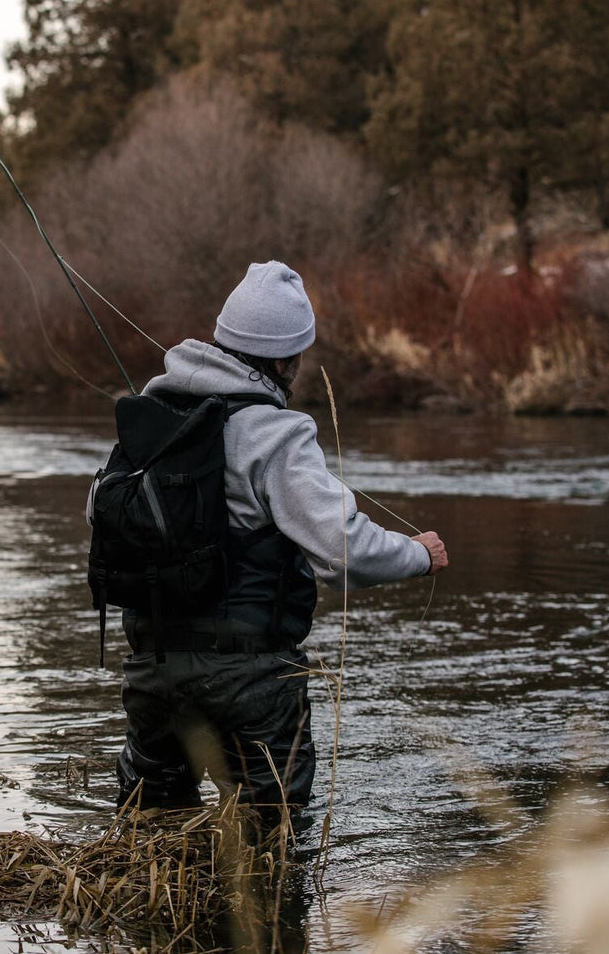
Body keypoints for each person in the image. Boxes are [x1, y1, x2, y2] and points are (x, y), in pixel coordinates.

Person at [115, 259, 449, 813]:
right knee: (268, 844)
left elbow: (100, 518)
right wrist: (418, 554)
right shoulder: (276, 434)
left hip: (151, 672)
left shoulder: (147, 419)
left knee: (151, 831)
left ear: (224, 337)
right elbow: (345, 551)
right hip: (252, 682)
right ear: (285, 357)